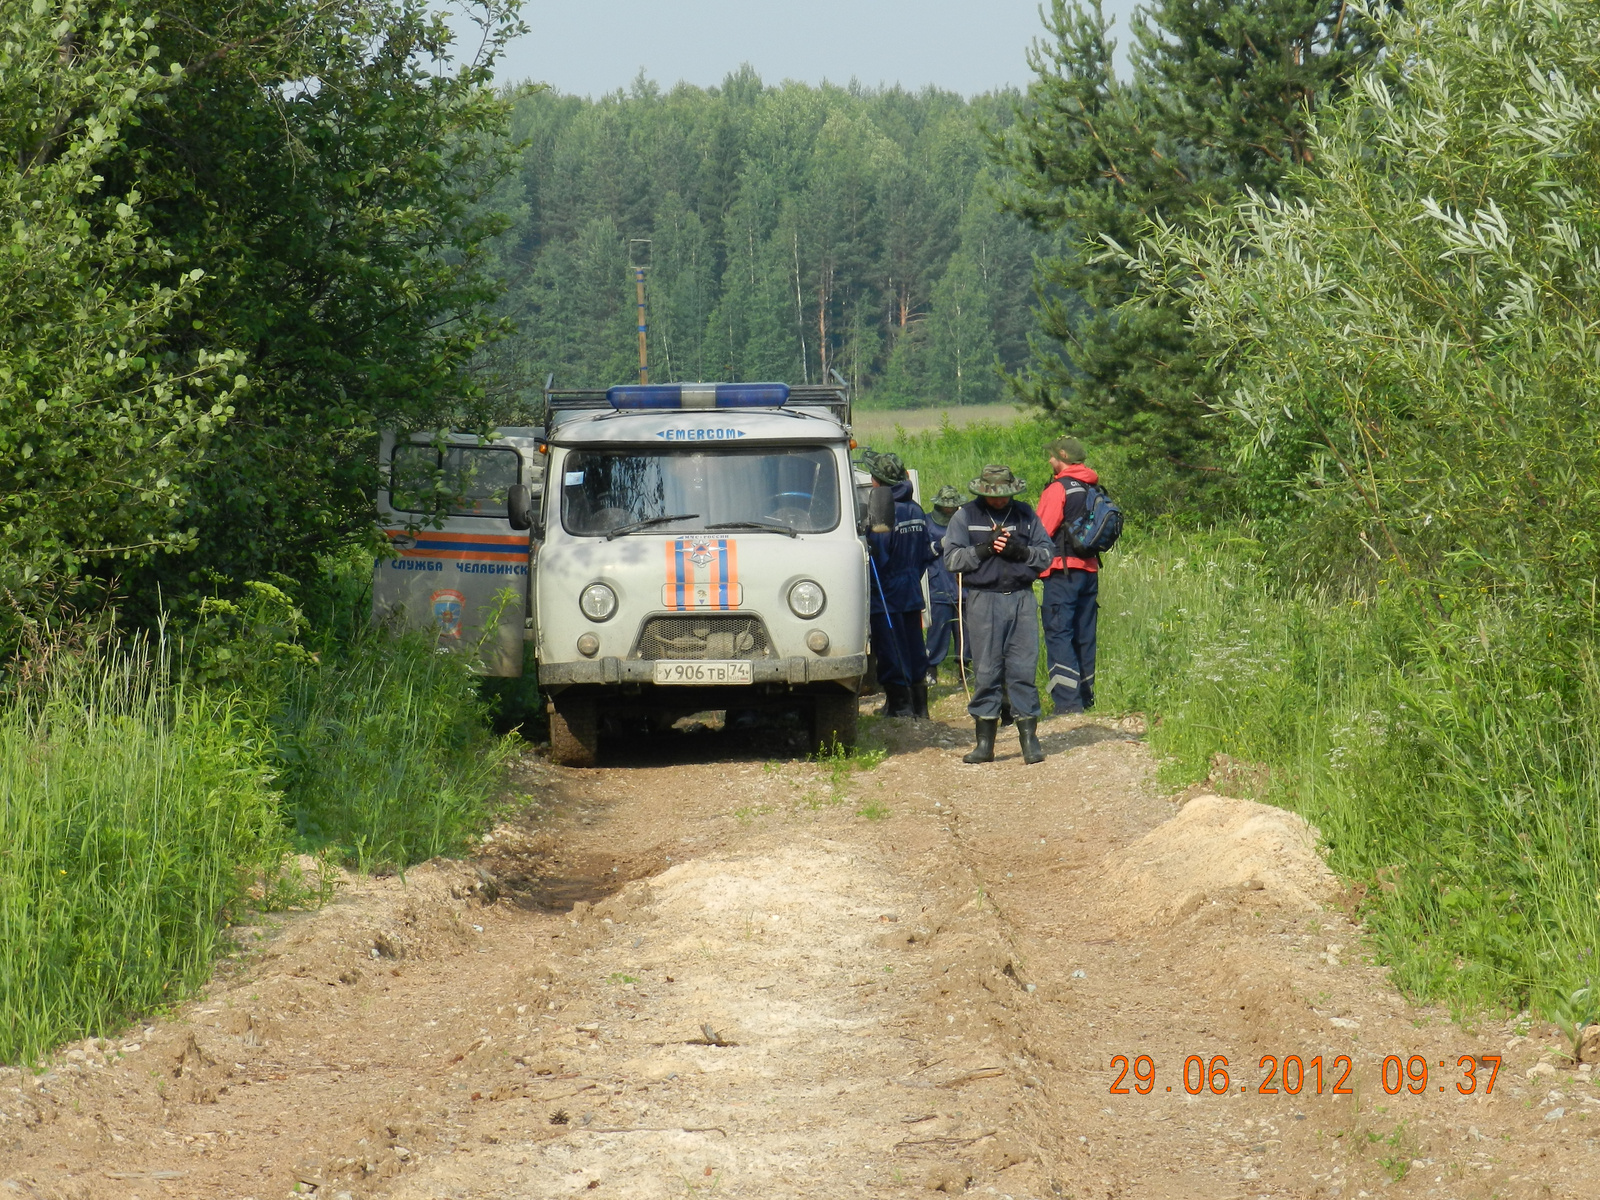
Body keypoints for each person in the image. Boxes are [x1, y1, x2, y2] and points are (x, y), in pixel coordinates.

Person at [941, 464, 1054, 764]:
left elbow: (1046, 555)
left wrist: (1021, 552)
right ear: (982, 491)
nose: (1000, 501)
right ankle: (984, 744)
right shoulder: (965, 516)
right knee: (987, 671)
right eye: (995, 497)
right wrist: (984, 549)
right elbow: (951, 559)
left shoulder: (1026, 514)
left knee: (1023, 670)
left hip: (1022, 599)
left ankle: (1029, 740)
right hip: (983, 600)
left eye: (1005, 496)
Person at [865, 452, 937, 718]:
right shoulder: (916, 509)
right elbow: (926, 554)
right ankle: (920, 707)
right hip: (911, 591)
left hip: (887, 596)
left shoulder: (884, 512)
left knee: (891, 649)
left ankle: (899, 707)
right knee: (914, 648)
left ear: (877, 482)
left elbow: (879, 558)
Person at [1035, 436, 1101, 715]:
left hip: (1062, 572)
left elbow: (1041, 531)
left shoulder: (1058, 488)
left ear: (1062, 457)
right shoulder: (1092, 486)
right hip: (1090, 570)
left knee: (1059, 633)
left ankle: (1067, 703)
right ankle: (1086, 698)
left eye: (1052, 456)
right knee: (1084, 635)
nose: (1049, 460)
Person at [923, 485, 963, 683]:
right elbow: (922, 554)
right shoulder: (928, 523)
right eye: (945, 506)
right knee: (937, 632)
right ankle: (931, 669)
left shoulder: (963, 521)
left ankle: (965, 671)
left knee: (965, 634)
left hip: (963, 588)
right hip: (938, 586)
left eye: (952, 507)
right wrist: (939, 544)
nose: (949, 510)